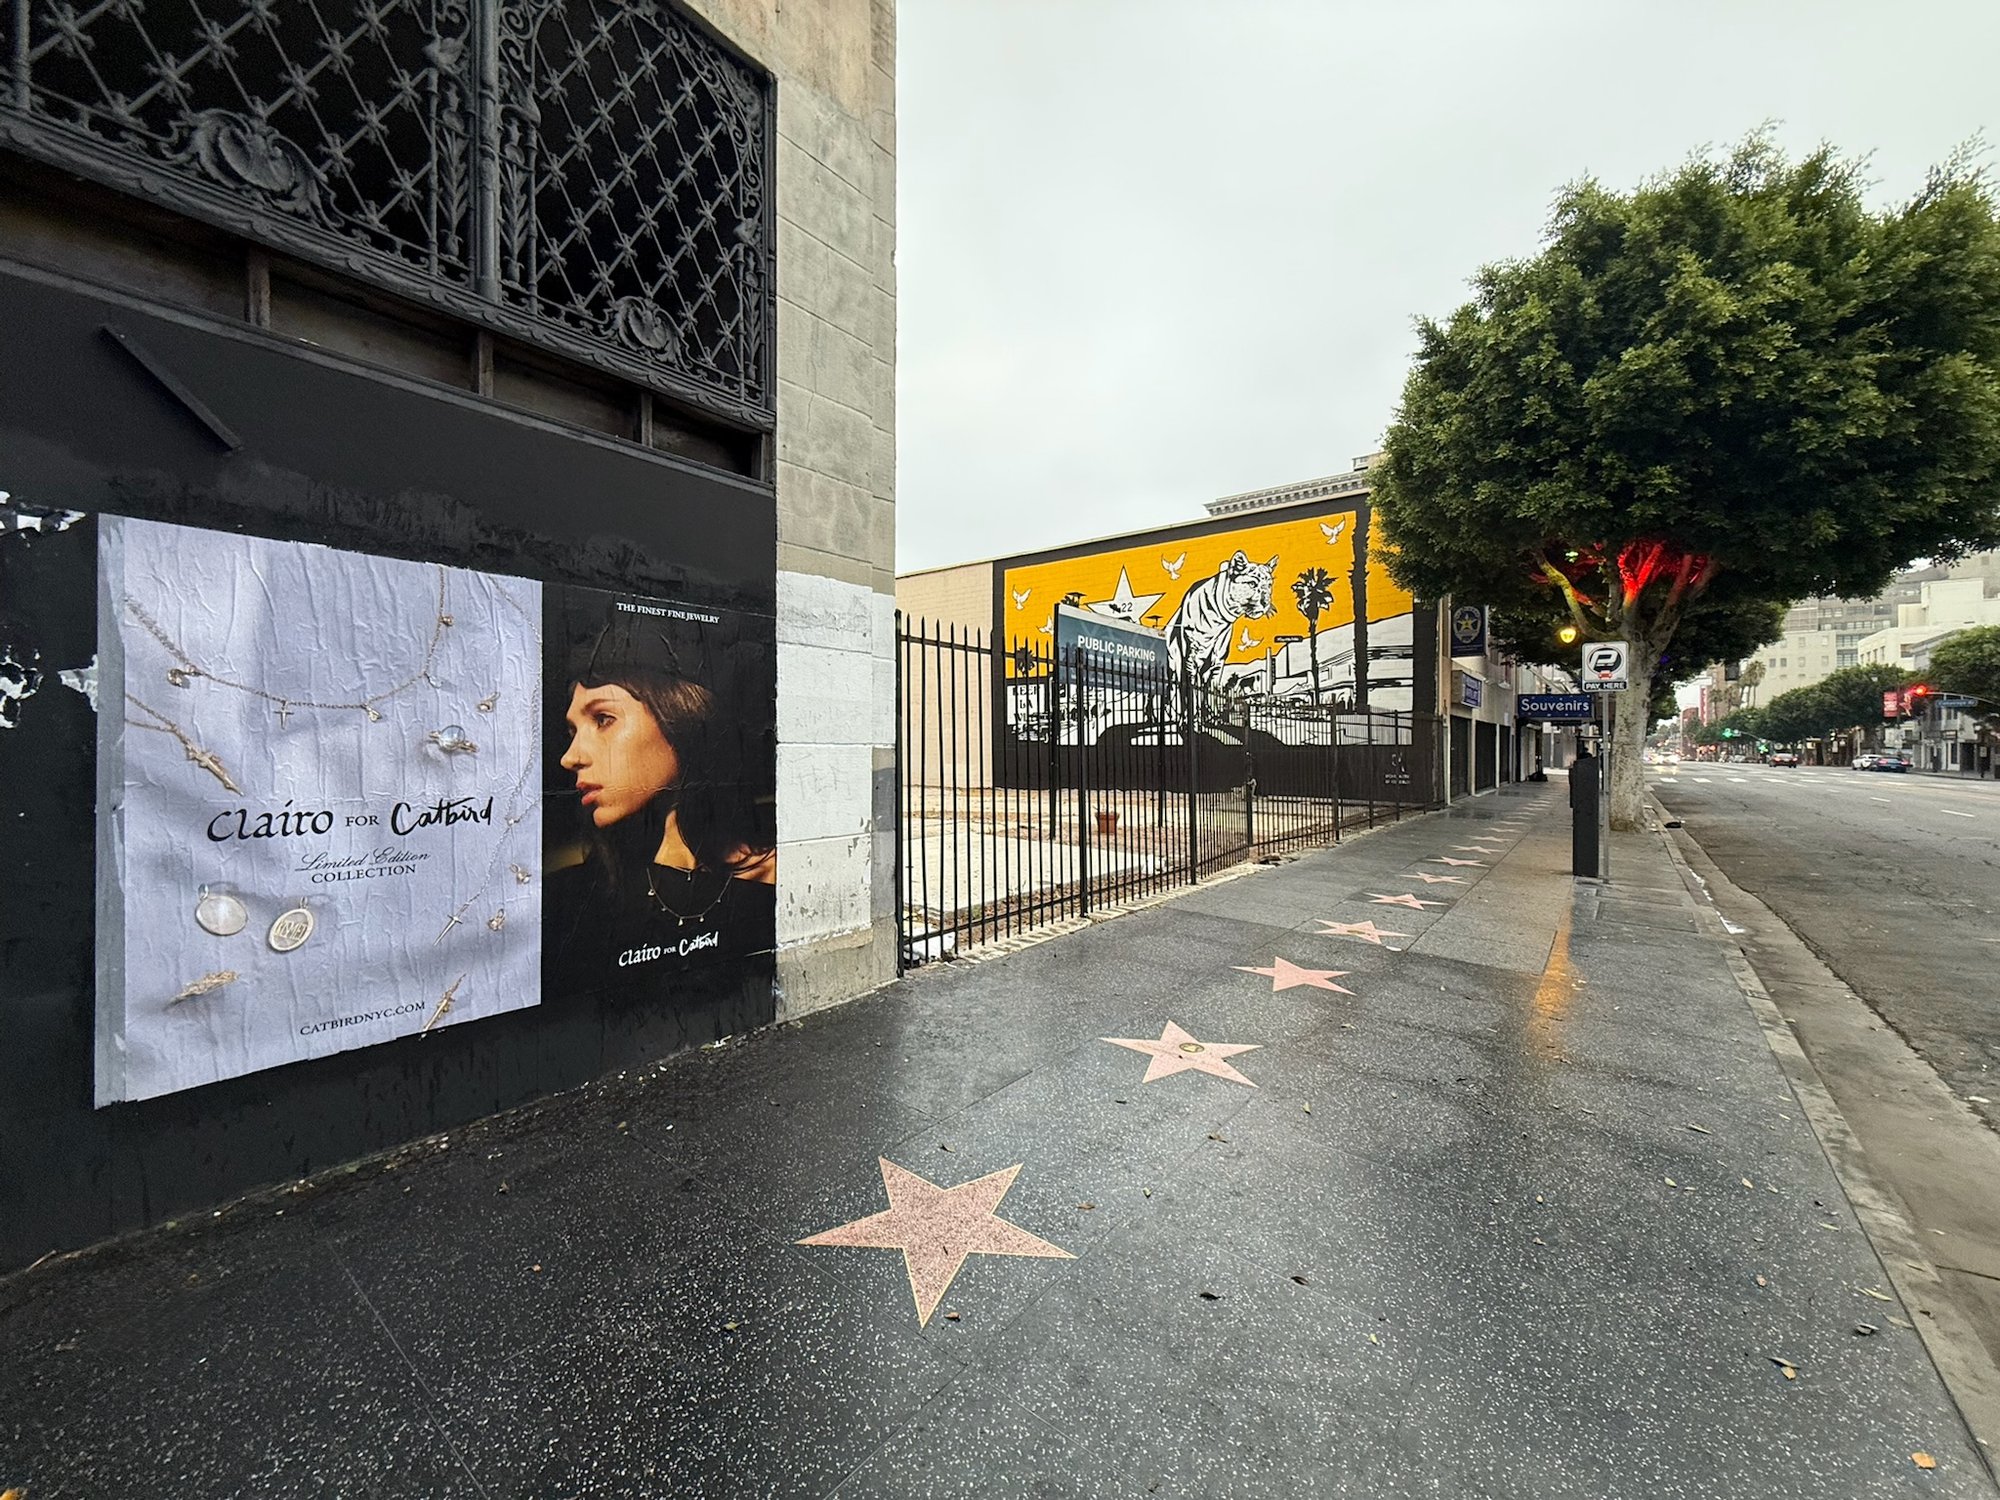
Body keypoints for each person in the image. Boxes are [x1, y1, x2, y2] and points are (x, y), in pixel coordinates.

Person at [549, 657, 775, 980]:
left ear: (681, 719)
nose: (570, 757)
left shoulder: (780, 878)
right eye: (572, 731)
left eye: (602, 719)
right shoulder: (571, 898)